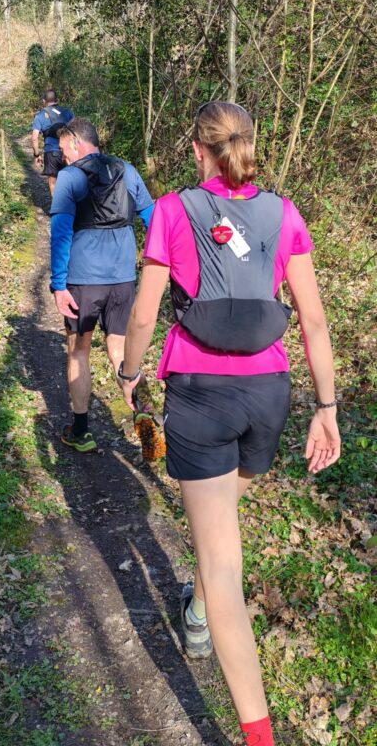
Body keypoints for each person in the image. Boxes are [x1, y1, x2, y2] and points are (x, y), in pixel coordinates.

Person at [118, 101, 341, 746]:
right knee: (221, 522)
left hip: (202, 393)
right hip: (268, 395)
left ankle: (258, 735)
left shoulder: (172, 211)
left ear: (198, 149)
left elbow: (144, 314)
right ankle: (197, 608)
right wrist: (326, 409)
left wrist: (130, 372)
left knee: (220, 563)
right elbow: (313, 321)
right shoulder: (284, 212)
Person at [50, 117, 154, 452]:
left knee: (78, 351)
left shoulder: (70, 177)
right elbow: (152, 218)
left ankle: (80, 432)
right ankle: (144, 411)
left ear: (77, 143)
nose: (63, 156)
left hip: (84, 280)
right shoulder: (127, 170)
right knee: (120, 349)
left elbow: (61, 233)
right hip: (122, 279)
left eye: (64, 149)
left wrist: (58, 285)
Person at [32, 89, 74, 196]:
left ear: (44, 101)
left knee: (53, 183)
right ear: (57, 100)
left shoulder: (40, 115)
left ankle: (56, 205)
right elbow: (76, 131)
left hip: (51, 152)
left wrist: (37, 155)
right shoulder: (68, 113)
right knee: (69, 182)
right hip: (68, 151)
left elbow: (34, 138)